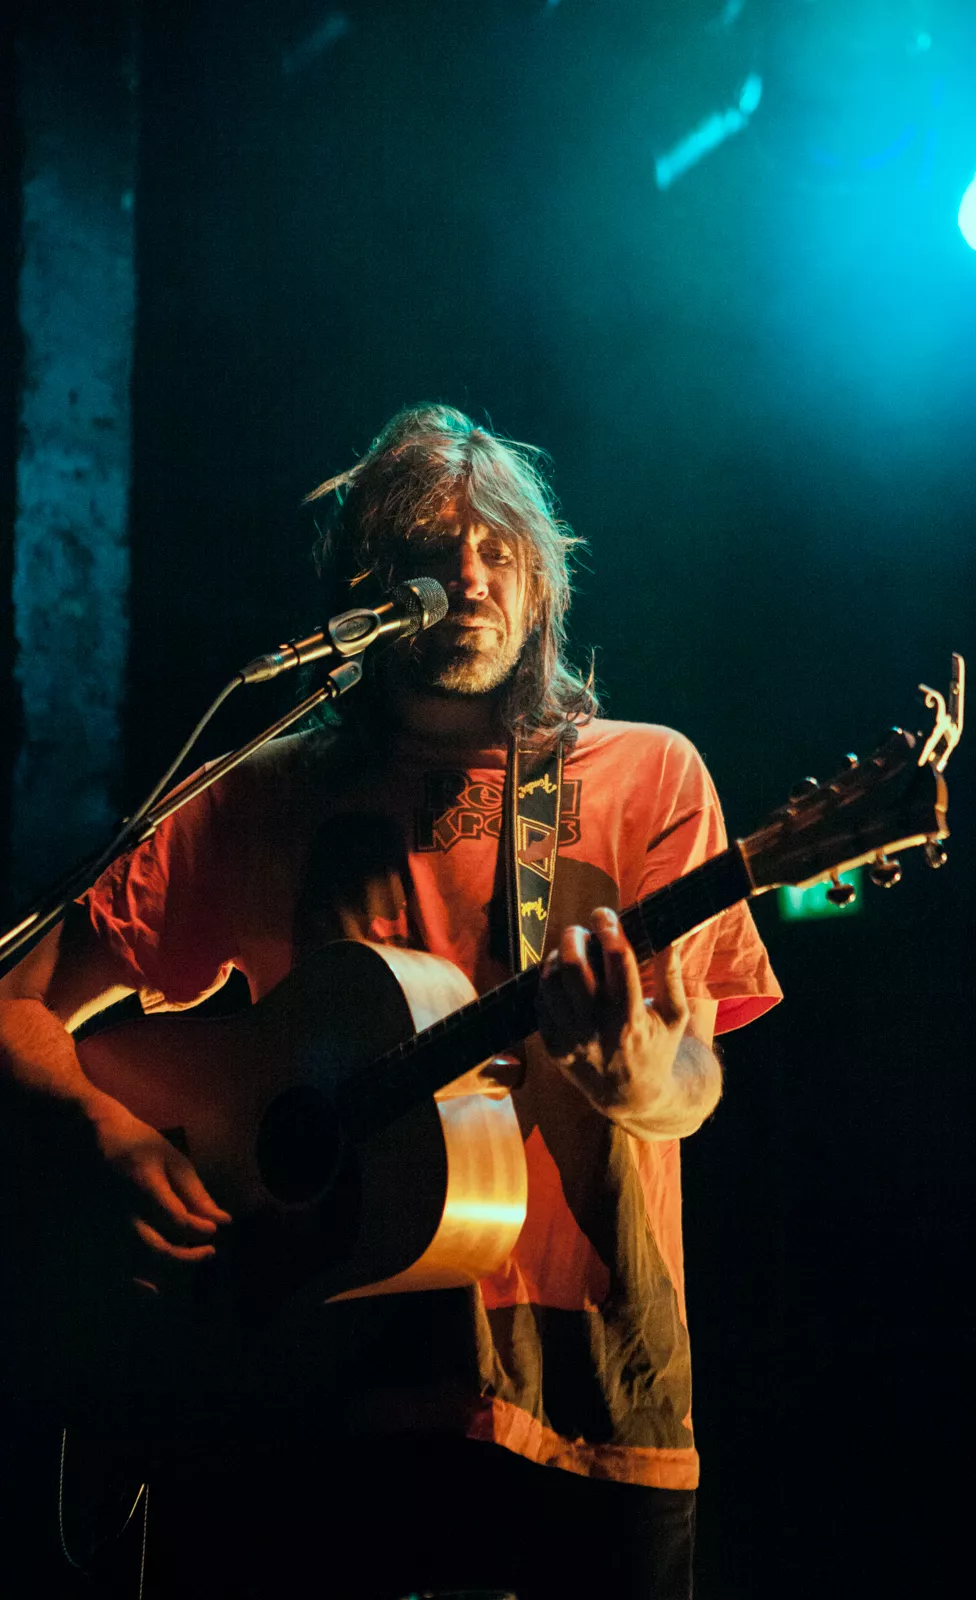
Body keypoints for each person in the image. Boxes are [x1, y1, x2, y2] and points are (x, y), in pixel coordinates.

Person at [0, 405, 781, 1599]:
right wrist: (100, 1130)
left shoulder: (645, 775)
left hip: (589, 1392)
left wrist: (632, 1073)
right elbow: (17, 998)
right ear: (365, 583)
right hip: (305, 1383)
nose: (464, 579)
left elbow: (692, 1084)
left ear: (538, 579)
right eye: (426, 550)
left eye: (496, 551)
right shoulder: (256, 795)